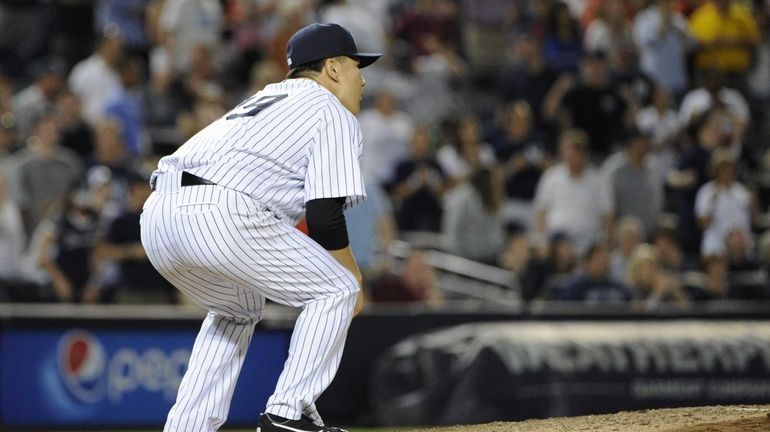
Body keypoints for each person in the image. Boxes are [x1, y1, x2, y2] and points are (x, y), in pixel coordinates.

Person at [140, 23, 380, 432]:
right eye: (358, 67)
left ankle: (188, 427)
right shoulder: (329, 108)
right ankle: (288, 412)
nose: (363, 79)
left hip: (159, 217)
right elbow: (324, 214)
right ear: (333, 69)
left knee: (237, 310)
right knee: (338, 288)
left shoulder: (267, 98)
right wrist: (352, 275)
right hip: (221, 213)